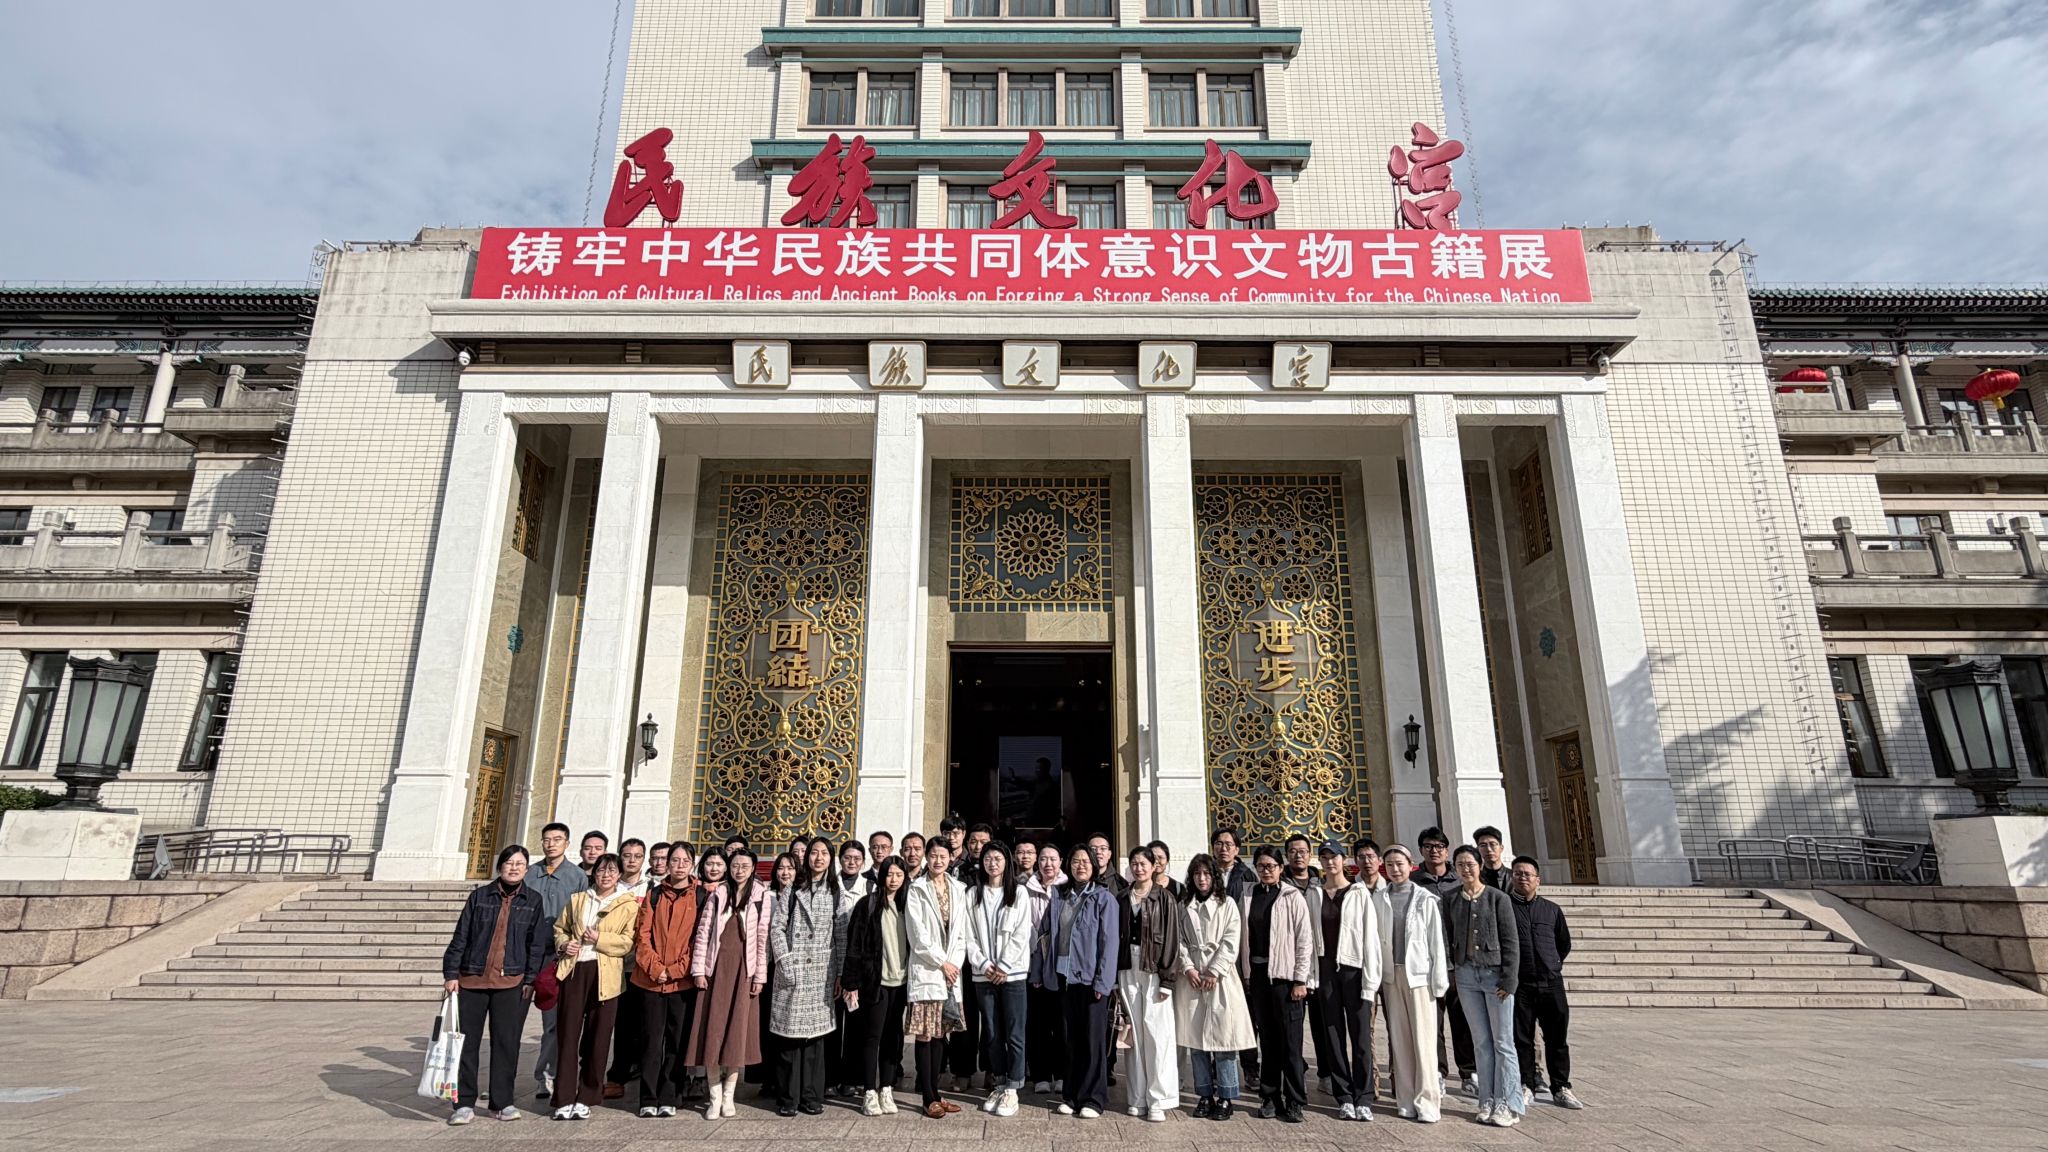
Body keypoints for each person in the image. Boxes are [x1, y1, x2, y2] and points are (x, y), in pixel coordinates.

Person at [443, 844, 547, 1125]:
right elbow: (461, 936)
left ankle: (502, 1102)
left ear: (527, 869)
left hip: (510, 981)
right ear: (500, 866)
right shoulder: (479, 896)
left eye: (519, 864)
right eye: (509, 863)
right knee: (466, 1044)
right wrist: (451, 973)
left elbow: (535, 944)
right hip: (472, 979)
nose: (514, 868)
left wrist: (530, 979)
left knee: (506, 1044)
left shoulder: (533, 900)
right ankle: (463, 1103)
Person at [549, 853, 639, 1121]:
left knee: (598, 1038)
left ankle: (587, 1095)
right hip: (575, 970)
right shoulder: (578, 900)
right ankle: (564, 1096)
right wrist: (564, 944)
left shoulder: (627, 905)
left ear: (619, 875)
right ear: (594, 873)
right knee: (567, 1035)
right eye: (601, 870)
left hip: (606, 974)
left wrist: (600, 938)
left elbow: (628, 942)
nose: (606, 875)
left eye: (612, 871)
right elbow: (560, 928)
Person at [1031, 844, 1117, 1120]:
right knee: (1070, 1040)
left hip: (1091, 980)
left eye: (1085, 862)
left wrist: (1103, 982)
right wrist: (1038, 972)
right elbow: (1044, 936)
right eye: (1076, 861)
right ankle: (1071, 1094)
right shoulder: (1060, 896)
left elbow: (1109, 943)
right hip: (1064, 978)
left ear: (1094, 866)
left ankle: (1093, 1098)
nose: (1080, 866)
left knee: (1092, 1042)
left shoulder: (1104, 898)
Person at [688, 847, 769, 1120]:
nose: (739, 870)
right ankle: (713, 1096)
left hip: (743, 969)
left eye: (745, 865)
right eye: (735, 865)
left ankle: (729, 1095)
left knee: (737, 1033)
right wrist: (699, 969)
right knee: (711, 1031)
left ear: (753, 867)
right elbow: (703, 933)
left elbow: (762, 939)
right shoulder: (718, 894)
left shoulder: (760, 896)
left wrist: (759, 976)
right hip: (716, 968)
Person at [769, 838, 848, 1117]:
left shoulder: (835, 891)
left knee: (815, 1038)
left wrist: (840, 973)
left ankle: (811, 1096)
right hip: (793, 969)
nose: (818, 858)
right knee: (790, 1037)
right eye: (814, 852)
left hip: (821, 971)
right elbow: (777, 928)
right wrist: (785, 960)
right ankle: (788, 1097)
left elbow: (840, 934)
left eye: (824, 853)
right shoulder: (793, 888)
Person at [1446, 844, 1522, 1127]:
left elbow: (1511, 941)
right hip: (1466, 976)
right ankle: (1486, 1100)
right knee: (1481, 1042)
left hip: (1495, 976)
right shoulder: (1451, 898)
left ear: (1479, 865)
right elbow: (1449, 937)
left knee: (1503, 1042)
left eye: (1470, 864)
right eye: (1460, 864)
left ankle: (1508, 1103)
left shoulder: (1498, 898)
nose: (1466, 869)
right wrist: (1452, 972)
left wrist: (1509, 978)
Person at [1175, 854, 1253, 1123]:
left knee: (1224, 1041)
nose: (1202, 879)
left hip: (1221, 978)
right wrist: (1188, 967)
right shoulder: (1184, 905)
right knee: (1197, 1043)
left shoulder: (1227, 904)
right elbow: (1179, 940)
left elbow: (1232, 940)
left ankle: (1226, 1096)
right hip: (1193, 979)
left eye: (1206, 874)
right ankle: (1204, 1094)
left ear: (1214, 876)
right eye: (1197, 874)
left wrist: (1215, 971)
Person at [1240, 846, 1312, 1124]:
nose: (1266, 870)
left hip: (1285, 977)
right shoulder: (1249, 895)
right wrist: (1246, 973)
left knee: (1291, 1043)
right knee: (1268, 1040)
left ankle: (1295, 1100)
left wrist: (1300, 979)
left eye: (1271, 866)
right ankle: (1270, 1096)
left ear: (1281, 868)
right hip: (1258, 975)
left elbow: (1304, 940)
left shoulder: (1292, 896)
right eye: (1261, 866)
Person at [1311, 840, 1382, 1121]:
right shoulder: (1315, 894)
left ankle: (1364, 1096)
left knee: (1361, 1035)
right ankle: (1344, 1096)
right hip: (1326, 970)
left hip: (1354, 969)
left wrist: (1370, 979)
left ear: (1344, 860)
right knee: (1333, 1034)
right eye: (1325, 857)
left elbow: (1370, 938)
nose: (1330, 862)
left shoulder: (1358, 893)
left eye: (1335, 857)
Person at [1379, 845, 1449, 1123]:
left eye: (1400, 864)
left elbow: (1436, 943)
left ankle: (1428, 1101)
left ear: (1411, 865)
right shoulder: (1380, 898)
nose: (1395, 869)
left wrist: (1438, 980)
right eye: (1390, 865)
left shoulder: (1424, 899)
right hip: (1392, 975)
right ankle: (1406, 1100)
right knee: (1400, 1040)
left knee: (1424, 1040)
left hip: (1419, 976)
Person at [630, 842, 701, 1117]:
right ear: (667, 863)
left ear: (692, 864)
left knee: (676, 1041)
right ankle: (648, 1097)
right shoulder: (655, 894)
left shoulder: (701, 897)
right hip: (650, 980)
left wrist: (674, 970)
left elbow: (699, 940)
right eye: (675, 860)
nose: (680, 865)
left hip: (681, 982)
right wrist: (655, 967)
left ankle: (671, 1095)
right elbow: (642, 935)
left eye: (685, 861)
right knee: (650, 1040)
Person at [964, 840, 1033, 1117]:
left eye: (998, 859)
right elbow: (967, 934)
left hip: (1012, 974)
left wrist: (1004, 965)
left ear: (1007, 862)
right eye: (988, 859)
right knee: (991, 1032)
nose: (993, 864)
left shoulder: (1019, 892)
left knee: (1015, 1033)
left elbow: (1022, 933)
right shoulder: (973, 894)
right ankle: (1000, 1081)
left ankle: (1013, 1087)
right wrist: (982, 963)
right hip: (983, 974)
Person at [1508, 855, 1580, 1110]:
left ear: (1537, 880)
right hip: (1521, 984)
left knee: (1557, 1038)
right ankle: (1526, 1083)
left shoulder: (1551, 909)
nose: (1522, 878)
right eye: (1517, 873)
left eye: (1527, 874)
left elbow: (1563, 943)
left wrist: (1552, 965)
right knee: (1522, 1038)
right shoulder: (1505, 907)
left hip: (1551, 983)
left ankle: (1560, 1087)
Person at [905, 837, 969, 1119]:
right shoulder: (917, 889)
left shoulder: (959, 889)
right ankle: (927, 1096)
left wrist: (954, 964)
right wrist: (942, 963)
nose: (938, 860)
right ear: (926, 858)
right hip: (928, 969)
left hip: (950, 972)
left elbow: (961, 933)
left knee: (941, 1033)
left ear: (950, 858)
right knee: (925, 1033)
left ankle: (937, 1093)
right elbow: (917, 935)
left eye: (943, 856)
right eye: (933, 855)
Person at [1116, 845, 1180, 1122]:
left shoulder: (1164, 898)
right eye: (1134, 864)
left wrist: (1167, 979)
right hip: (1127, 967)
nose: (1139, 868)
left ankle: (1158, 1099)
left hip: (1154, 968)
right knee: (1134, 1034)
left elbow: (1172, 939)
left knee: (1157, 1033)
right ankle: (1137, 1097)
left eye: (1144, 863)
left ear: (1154, 866)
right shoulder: (1122, 897)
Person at [843, 855, 911, 1116]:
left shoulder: (909, 905)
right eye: (889, 874)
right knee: (872, 1036)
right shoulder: (868, 904)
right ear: (881, 876)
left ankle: (887, 1088)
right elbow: (855, 945)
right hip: (876, 982)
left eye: (899, 875)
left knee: (893, 1037)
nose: (893, 880)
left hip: (901, 982)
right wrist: (851, 981)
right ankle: (869, 1091)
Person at [527, 822, 589, 1102]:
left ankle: (550, 1075)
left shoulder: (577, 876)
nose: (551, 844)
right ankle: (537, 1076)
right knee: (540, 1021)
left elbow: (582, 916)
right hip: (532, 956)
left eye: (557, 839)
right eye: (547, 839)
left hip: (563, 957)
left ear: (567, 843)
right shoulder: (530, 873)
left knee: (557, 1021)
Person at [1409, 827, 1472, 1093]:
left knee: (1462, 1020)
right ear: (1421, 850)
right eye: (1428, 846)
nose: (1434, 851)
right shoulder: (1413, 882)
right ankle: (1437, 1071)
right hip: (1427, 963)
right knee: (1432, 1022)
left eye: (1439, 846)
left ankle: (1469, 1072)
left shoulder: (1460, 880)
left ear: (1447, 850)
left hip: (1459, 963)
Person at [1208, 827, 1257, 1082]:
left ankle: (1250, 1067)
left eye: (1228, 844)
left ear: (1237, 849)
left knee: (1246, 1013)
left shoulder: (1247, 876)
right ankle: (1216, 1069)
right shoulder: (1206, 873)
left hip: (1240, 953)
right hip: (1211, 952)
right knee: (1215, 1013)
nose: (1223, 848)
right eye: (1219, 843)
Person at [607, 837, 652, 1098]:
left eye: (637, 856)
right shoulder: (611, 886)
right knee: (620, 1023)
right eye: (627, 855)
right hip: (613, 964)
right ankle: (617, 1075)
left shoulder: (652, 887)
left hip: (641, 964)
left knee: (644, 1023)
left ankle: (642, 1071)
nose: (632, 860)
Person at [826, 839, 871, 1098]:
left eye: (856, 858)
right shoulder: (830, 886)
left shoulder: (870, 887)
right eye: (847, 858)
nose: (851, 862)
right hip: (833, 964)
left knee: (856, 1026)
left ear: (863, 862)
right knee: (832, 1024)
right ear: (840, 860)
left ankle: (852, 1078)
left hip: (859, 967)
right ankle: (830, 1078)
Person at [1022, 841, 1065, 1093]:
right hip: (1033, 963)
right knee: (1037, 1022)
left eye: (1053, 859)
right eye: (1043, 859)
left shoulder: (1067, 888)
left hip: (1060, 966)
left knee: (1061, 1022)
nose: (1048, 864)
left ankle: (1061, 1074)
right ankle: (1040, 1074)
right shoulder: (1025, 889)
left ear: (1061, 862)